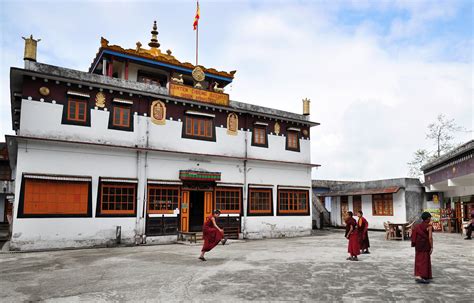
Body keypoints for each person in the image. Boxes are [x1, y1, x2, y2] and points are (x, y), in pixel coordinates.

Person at [411, 212, 433, 284]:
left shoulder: (418, 226)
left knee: (419, 259)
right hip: (425, 245)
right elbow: (430, 238)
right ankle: (422, 275)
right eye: (430, 218)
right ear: (428, 218)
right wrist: (432, 247)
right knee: (425, 260)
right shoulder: (429, 226)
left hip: (419, 245)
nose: (430, 219)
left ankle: (419, 275)